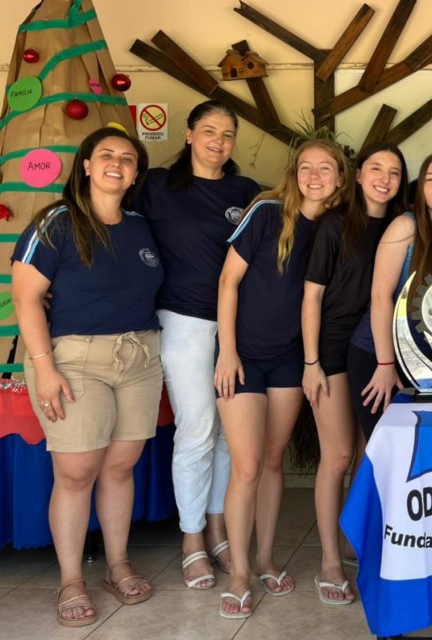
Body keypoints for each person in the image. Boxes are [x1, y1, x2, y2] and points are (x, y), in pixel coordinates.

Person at [12, 127, 162, 627]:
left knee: (121, 467)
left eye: (127, 158)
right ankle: (71, 579)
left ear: (136, 172)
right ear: (87, 165)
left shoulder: (141, 226)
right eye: (107, 156)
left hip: (140, 357)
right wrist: (45, 368)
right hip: (74, 360)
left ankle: (117, 565)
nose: (117, 164)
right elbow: (26, 298)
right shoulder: (55, 223)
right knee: (76, 473)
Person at [214, 139, 348, 619]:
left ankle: (266, 557)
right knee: (246, 466)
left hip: (292, 360)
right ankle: (239, 572)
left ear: (339, 178)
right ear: (294, 172)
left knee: (272, 461)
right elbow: (228, 282)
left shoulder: (335, 227)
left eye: (325, 168)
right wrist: (227, 352)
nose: (315, 176)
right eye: (306, 167)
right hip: (244, 357)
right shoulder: (268, 212)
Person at [134, 100, 259, 590]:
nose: (218, 142)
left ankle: (218, 526)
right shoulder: (156, 187)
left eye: (227, 134)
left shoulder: (245, 192)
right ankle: (191, 540)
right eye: (209, 130)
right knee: (198, 428)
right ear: (188, 134)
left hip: (238, 327)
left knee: (231, 431)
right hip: (183, 322)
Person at [302, 142, 407, 606]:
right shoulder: (335, 224)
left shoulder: (405, 224)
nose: (385, 178)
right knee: (339, 455)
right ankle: (329, 560)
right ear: (358, 175)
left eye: (395, 172)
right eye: (376, 169)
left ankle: (353, 542)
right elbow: (312, 298)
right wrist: (311, 363)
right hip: (333, 349)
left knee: (370, 453)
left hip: (377, 349)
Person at [351, 153, 432, 439]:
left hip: (430, 361)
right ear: (420, 188)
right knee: (386, 450)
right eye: (430, 180)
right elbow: (380, 296)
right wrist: (385, 365)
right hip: (378, 355)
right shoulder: (405, 226)